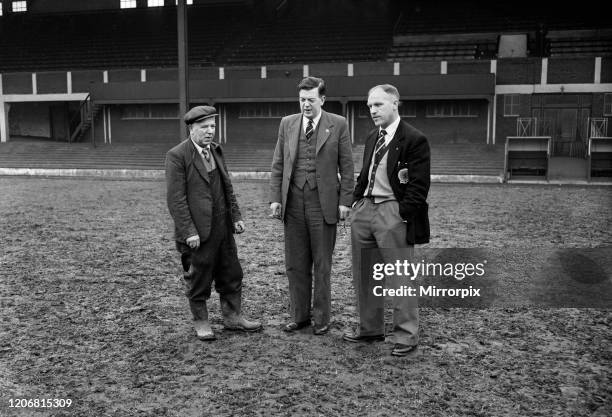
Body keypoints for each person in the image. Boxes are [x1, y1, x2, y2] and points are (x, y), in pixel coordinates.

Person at [343, 84, 430, 356]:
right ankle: (370, 328)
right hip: (365, 211)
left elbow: (418, 186)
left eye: (378, 105)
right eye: (369, 106)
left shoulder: (414, 139)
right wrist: (356, 202)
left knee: (399, 276)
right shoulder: (372, 137)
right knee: (364, 275)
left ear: (395, 103)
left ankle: (406, 335)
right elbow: (364, 173)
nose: (372, 110)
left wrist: (401, 214)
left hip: (392, 212)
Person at [166, 105, 262, 341]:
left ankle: (232, 317)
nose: (210, 131)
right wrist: (189, 231)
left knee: (231, 271)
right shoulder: (177, 156)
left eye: (212, 126)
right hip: (198, 232)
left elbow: (227, 187)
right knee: (199, 276)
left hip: (222, 227)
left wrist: (236, 217)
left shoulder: (216, 150)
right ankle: (201, 321)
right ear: (191, 128)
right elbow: (176, 200)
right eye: (204, 127)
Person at [270, 76, 354, 335]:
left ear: (322, 99)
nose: (305, 105)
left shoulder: (338, 124)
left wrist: (345, 202)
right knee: (295, 264)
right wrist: (276, 198)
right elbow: (278, 164)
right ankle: (300, 316)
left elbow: (347, 167)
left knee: (322, 265)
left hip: (324, 203)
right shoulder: (287, 123)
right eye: (302, 100)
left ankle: (322, 319)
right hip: (293, 203)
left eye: (311, 100)